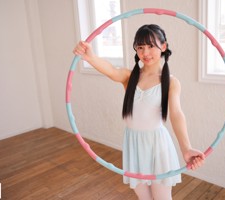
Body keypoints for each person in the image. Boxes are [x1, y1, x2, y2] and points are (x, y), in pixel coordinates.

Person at [74, 24, 205, 200]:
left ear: (163, 47)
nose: (145, 52)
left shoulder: (171, 82)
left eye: (151, 46)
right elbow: (111, 70)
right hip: (133, 144)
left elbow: (176, 115)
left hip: (158, 146)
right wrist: (90, 57)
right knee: (143, 196)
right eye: (140, 47)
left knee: (161, 197)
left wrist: (186, 148)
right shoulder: (130, 77)